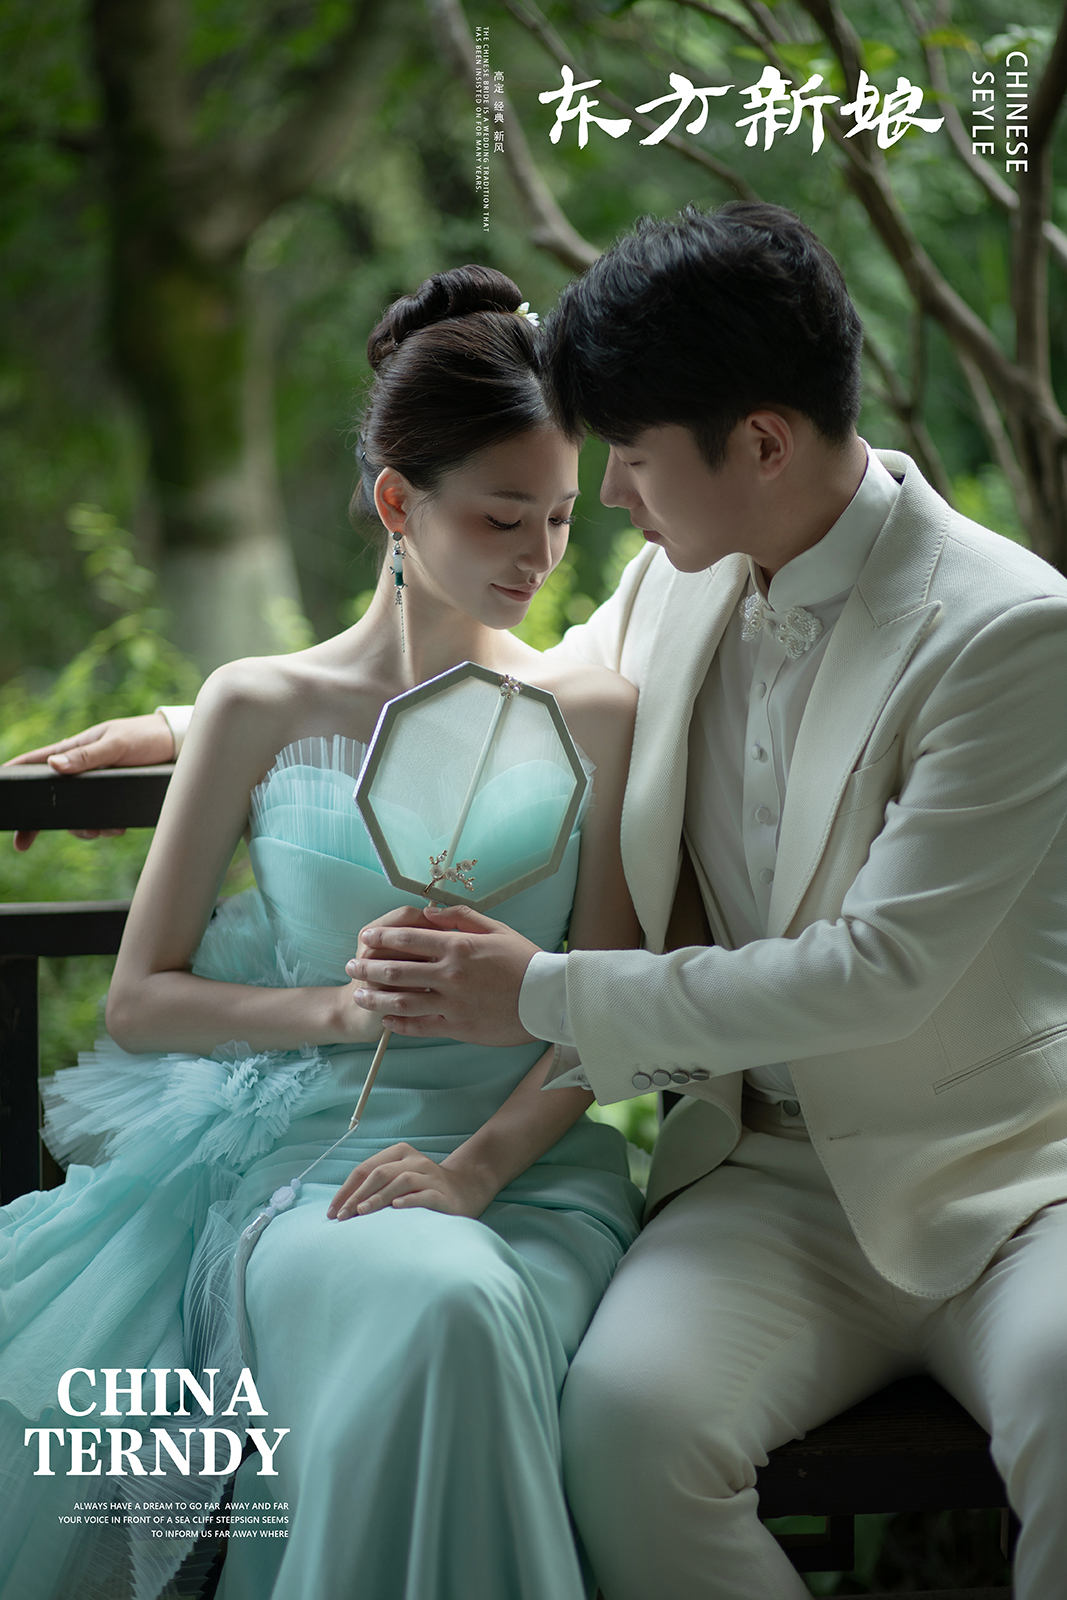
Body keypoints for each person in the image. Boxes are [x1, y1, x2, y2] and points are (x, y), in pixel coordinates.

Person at [334, 205, 1067, 1600]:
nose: (609, 494)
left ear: (765, 443)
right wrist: (205, 721)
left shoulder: (1010, 630)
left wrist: (540, 992)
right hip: (769, 1179)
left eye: (631, 453)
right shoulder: (674, 584)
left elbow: (878, 970)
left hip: (1013, 1181)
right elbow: (507, 694)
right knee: (624, 1431)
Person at [0, 265, 644, 1600]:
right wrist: (339, 1012)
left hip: (527, 1174)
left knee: (461, 1302)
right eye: (503, 518)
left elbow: (610, 1003)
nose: (539, 558)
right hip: (315, 1173)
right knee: (435, 1302)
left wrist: (475, 1169)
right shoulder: (256, 706)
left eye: (561, 519)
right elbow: (140, 1001)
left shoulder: (594, 713)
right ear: (399, 505)